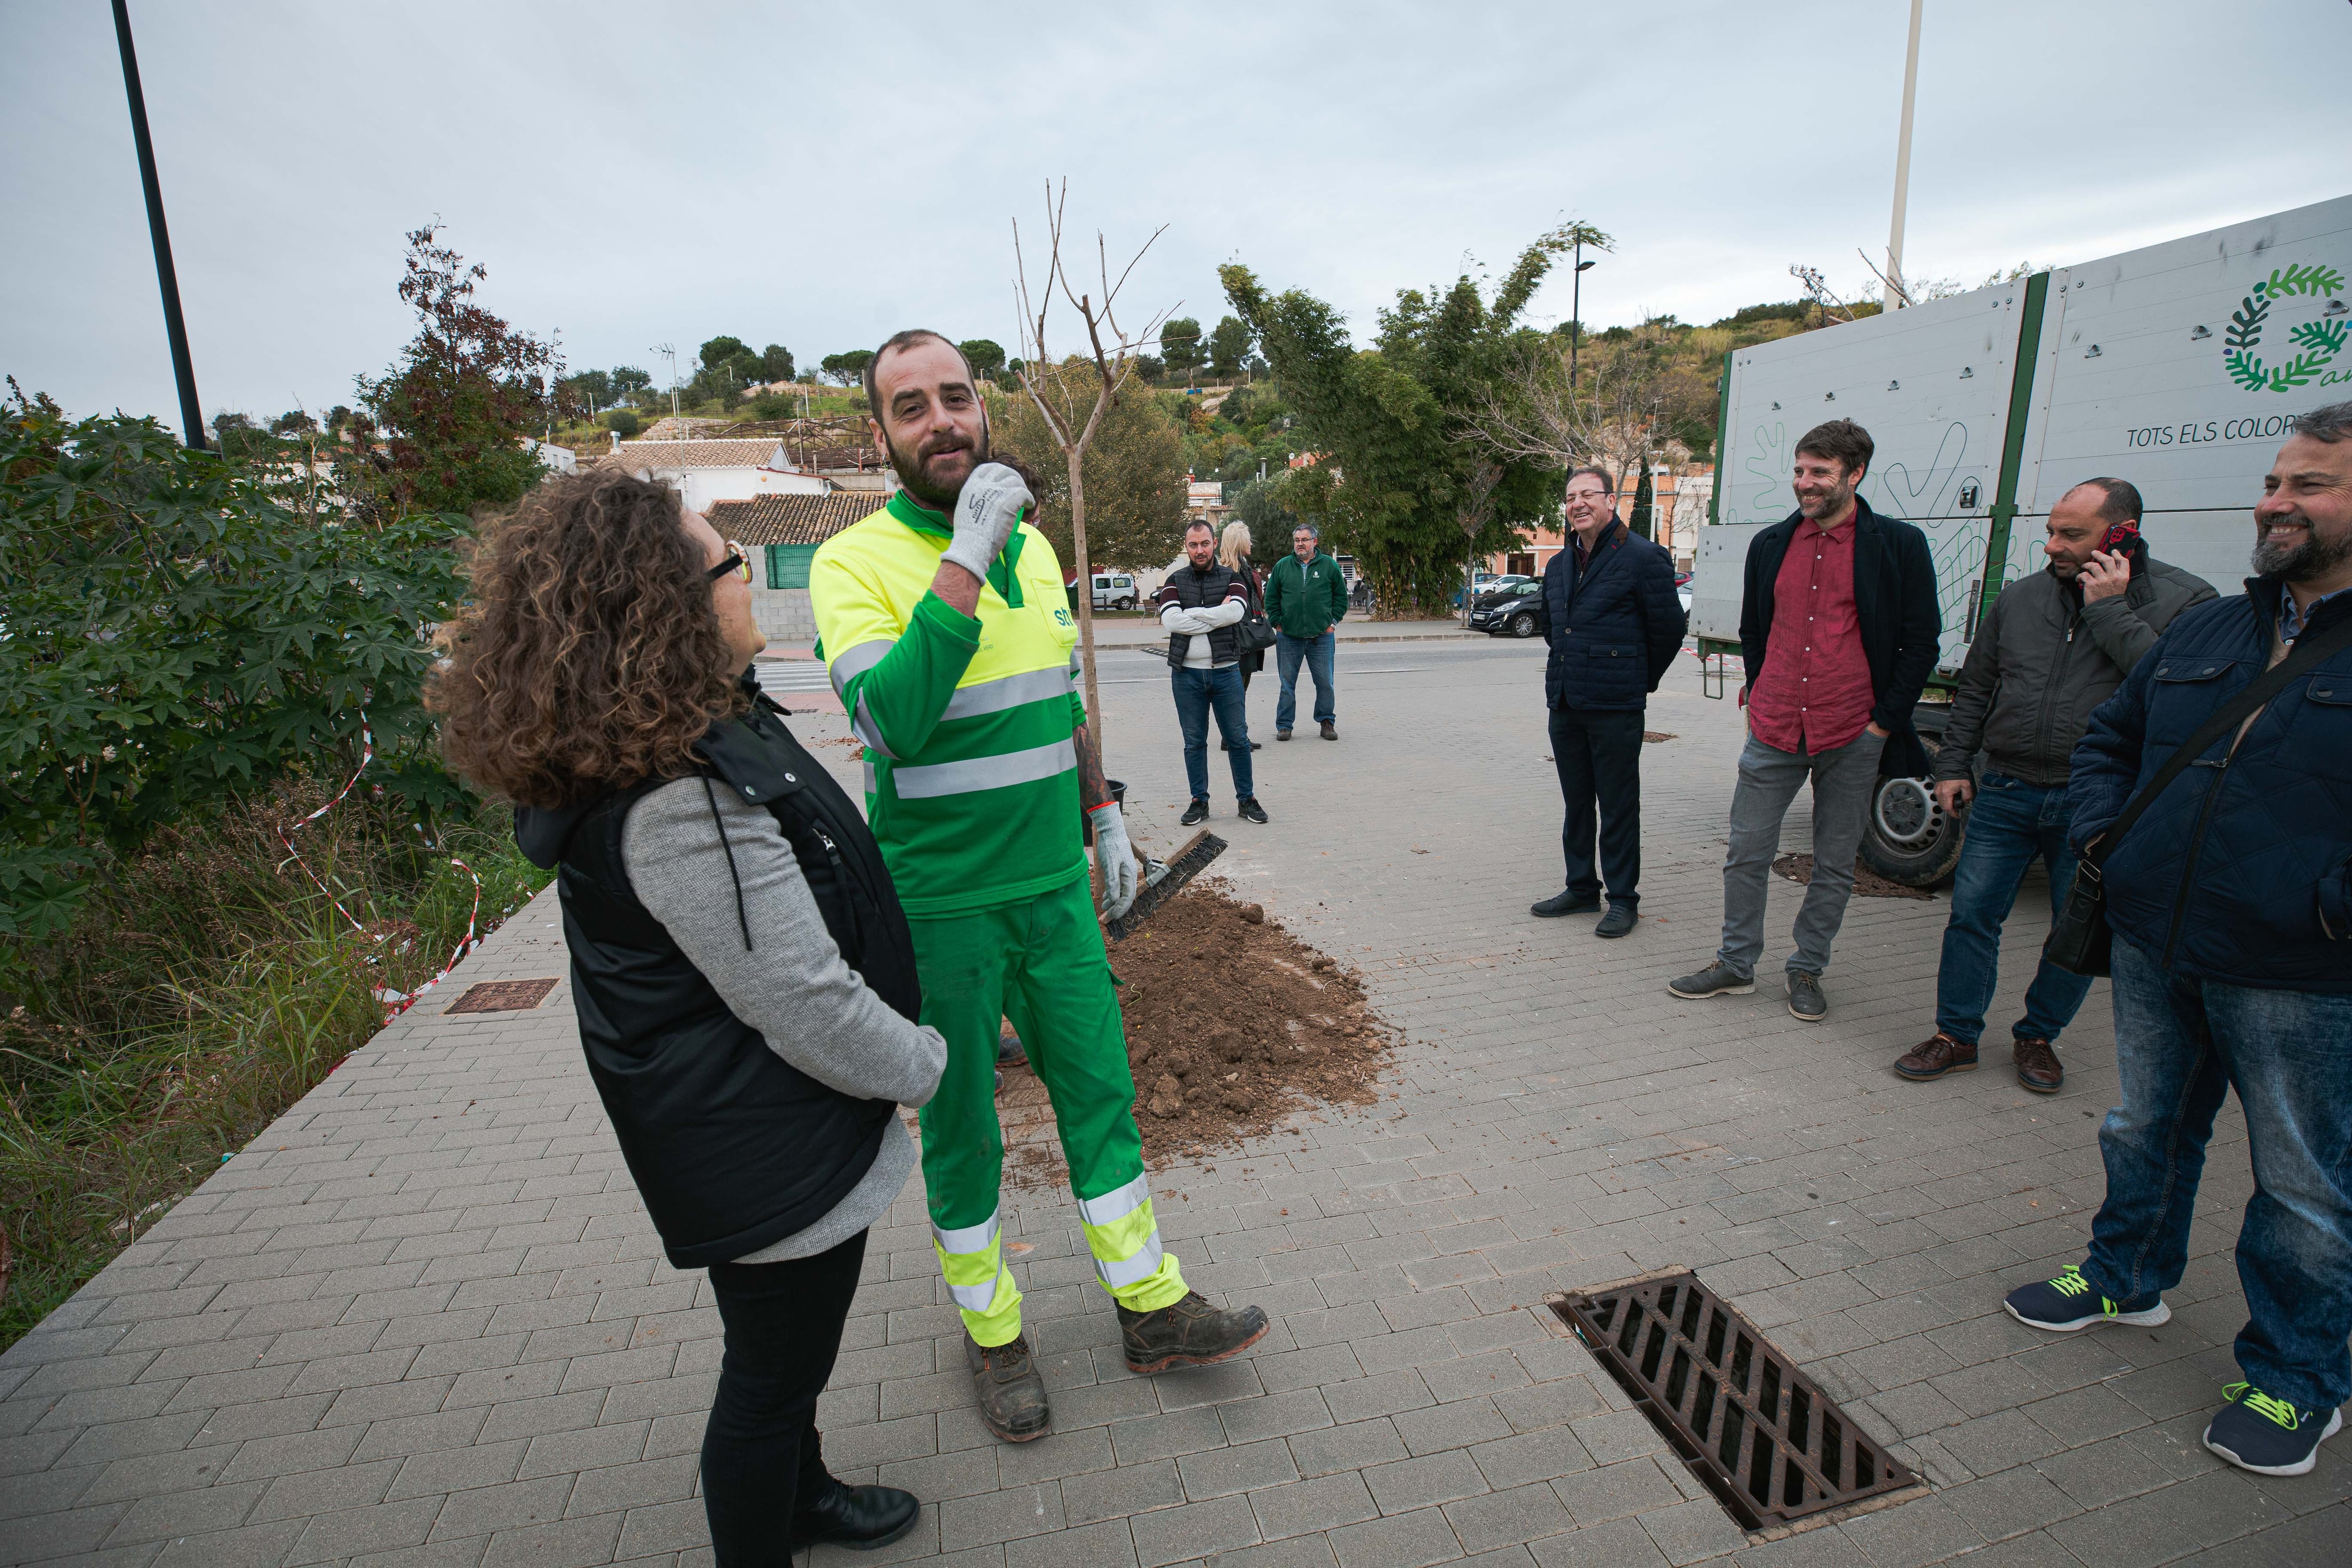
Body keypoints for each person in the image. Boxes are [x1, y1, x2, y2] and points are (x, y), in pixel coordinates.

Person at [432, 470, 943, 1564]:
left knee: (783, 1361)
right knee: (767, 1382)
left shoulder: (680, 737)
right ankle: (770, 1522)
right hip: (762, 1140)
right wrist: (922, 1063)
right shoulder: (676, 800)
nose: (749, 577)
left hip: (753, 1124)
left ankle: (804, 1495)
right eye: (728, 563)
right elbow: (799, 997)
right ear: (669, 607)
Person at [811, 331, 1268, 1445]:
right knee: (962, 1127)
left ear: (983, 410)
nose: (941, 422)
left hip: (1052, 890)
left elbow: (1060, 701)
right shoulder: (853, 565)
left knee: (1100, 1096)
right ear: (882, 434)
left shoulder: (1033, 553)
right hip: (941, 905)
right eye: (910, 407)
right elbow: (893, 723)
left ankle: (1151, 1306)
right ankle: (993, 1329)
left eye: (956, 398)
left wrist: (1101, 816)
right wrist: (963, 556)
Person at [2002, 403, 2352, 1479]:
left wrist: (2328, 905)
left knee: (2301, 1182)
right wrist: (2113, 839)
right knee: (2141, 1126)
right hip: (2160, 939)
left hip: (2301, 968)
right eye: (2274, 480)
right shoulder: (2209, 625)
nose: (2275, 502)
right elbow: (2113, 735)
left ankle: (2295, 1377)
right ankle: (2127, 1277)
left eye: (2310, 484)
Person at [1893, 478, 2213, 1091]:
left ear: (2123, 535)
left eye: (2072, 535)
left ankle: (2038, 1037)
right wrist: (1954, 763)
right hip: (2009, 789)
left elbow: (2174, 691)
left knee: (2075, 929)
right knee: (1971, 918)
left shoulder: (2186, 600)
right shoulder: (2020, 598)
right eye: (2050, 532)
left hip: (2096, 802)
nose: (2052, 546)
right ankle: (1956, 1035)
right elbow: (1977, 688)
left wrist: (2109, 608)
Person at [1668, 419, 1939, 1021]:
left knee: (1834, 861)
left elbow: (1921, 642)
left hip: (1852, 731)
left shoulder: (1895, 545)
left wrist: (1882, 723)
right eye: (1798, 471)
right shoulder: (1770, 545)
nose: (1803, 483)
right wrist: (1760, 690)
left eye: (1818, 473)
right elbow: (1754, 631)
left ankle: (1806, 969)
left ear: (1854, 474)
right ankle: (1736, 964)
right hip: (1774, 727)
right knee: (1745, 850)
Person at [1529, 465, 1687, 938]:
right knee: (1576, 802)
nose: (1577, 503)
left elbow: (1667, 630)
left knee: (1617, 804)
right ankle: (1581, 888)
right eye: (1570, 496)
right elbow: (1553, 629)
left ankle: (1622, 900)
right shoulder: (1558, 564)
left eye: (1587, 495)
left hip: (1615, 705)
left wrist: (1636, 680)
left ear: (1610, 500)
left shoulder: (1642, 557)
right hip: (1565, 701)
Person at [1159, 518, 1270, 825]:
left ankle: (1246, 800)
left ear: (1215, 543)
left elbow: (1237, 611)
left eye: (1205, 543)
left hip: (1226, 673)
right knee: (1194, 741)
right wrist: (1214, 616)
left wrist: (1192, 613)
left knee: (1238, 738)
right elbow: (1171, 621)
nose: (1199, 550)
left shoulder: (1232, 578)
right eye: (1193, 545)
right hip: (1187, 676)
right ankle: (1199, 801)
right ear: (1187, 547)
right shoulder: (1174, 581)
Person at [1263, 520, 1348, 740]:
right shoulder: (1282, 566)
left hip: (1321, 637)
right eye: (1297, 540)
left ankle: (1327, 722)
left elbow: (1341, 597)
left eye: (1304, 540)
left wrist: (1332, 624)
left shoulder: (1329, 565)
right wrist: (1277, 622)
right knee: (1287, 685)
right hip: (1289, 637)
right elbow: (1271, 598)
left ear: (1315, 542)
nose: (1300, 544)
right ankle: (1284, 726)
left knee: (1325, 684)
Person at [1219, 519, 1264, 750]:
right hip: (1238, 639)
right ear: (1239, 543)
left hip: (1247, 637)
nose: (1251, 543)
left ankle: (1234, 736)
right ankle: (1234, 738)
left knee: (1240, 689)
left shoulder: (1243, 567)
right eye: (1248, 539)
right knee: (1236, 690)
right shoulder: (1229, 573)